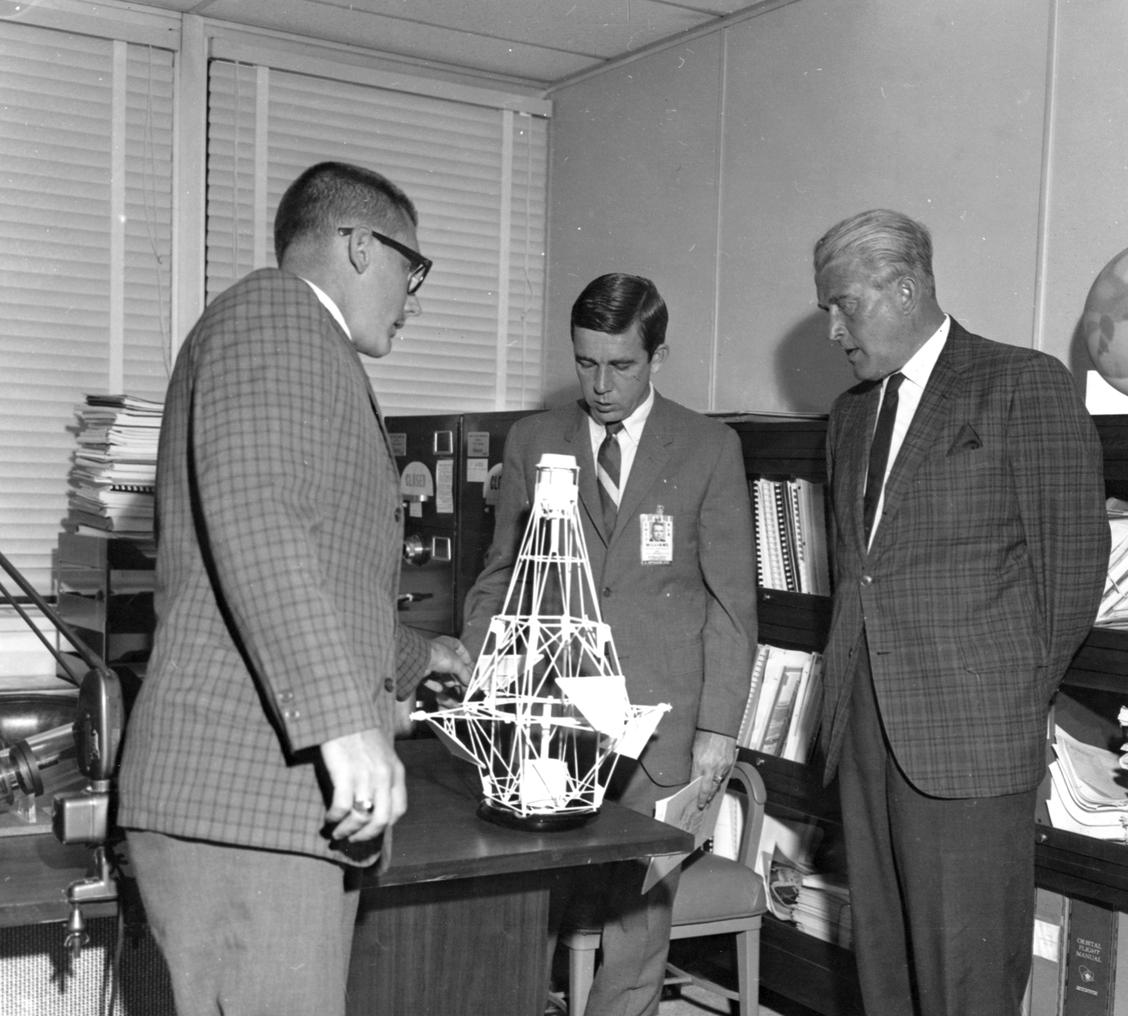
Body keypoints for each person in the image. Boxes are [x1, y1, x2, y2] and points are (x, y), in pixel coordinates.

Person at [117, 161, 471, 1016]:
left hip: (265, 811)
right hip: (245, 804)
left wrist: (427, 654)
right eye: (410, 268)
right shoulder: (275, 313)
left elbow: (311, 566)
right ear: (357, 245)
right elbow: (257, 517)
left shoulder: (303, 345)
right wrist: (347, 727)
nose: (413, 298)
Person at [812, 209, 1108, 1016]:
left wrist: (1008, 701)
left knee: (967, 982)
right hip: (866, 725)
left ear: (905, 289)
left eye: (845, 305)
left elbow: (1073, 570)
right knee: (883, 966)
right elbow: (858, 577)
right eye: (825, 310)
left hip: (972, 736)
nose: (834, 328)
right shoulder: (848, 417)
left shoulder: (1021, 383)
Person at [461, 272, 757, 1016]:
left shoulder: (710, 447)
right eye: (585, 362)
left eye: (620, 365)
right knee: (521, 917)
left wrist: (718, 730)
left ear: (657, 355)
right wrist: (481, 676)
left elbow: (732, 603)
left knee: (636, 933)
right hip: (550, 720)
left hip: (659, 725)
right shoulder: (533, 439)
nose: (600, 385)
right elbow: (502, 577)